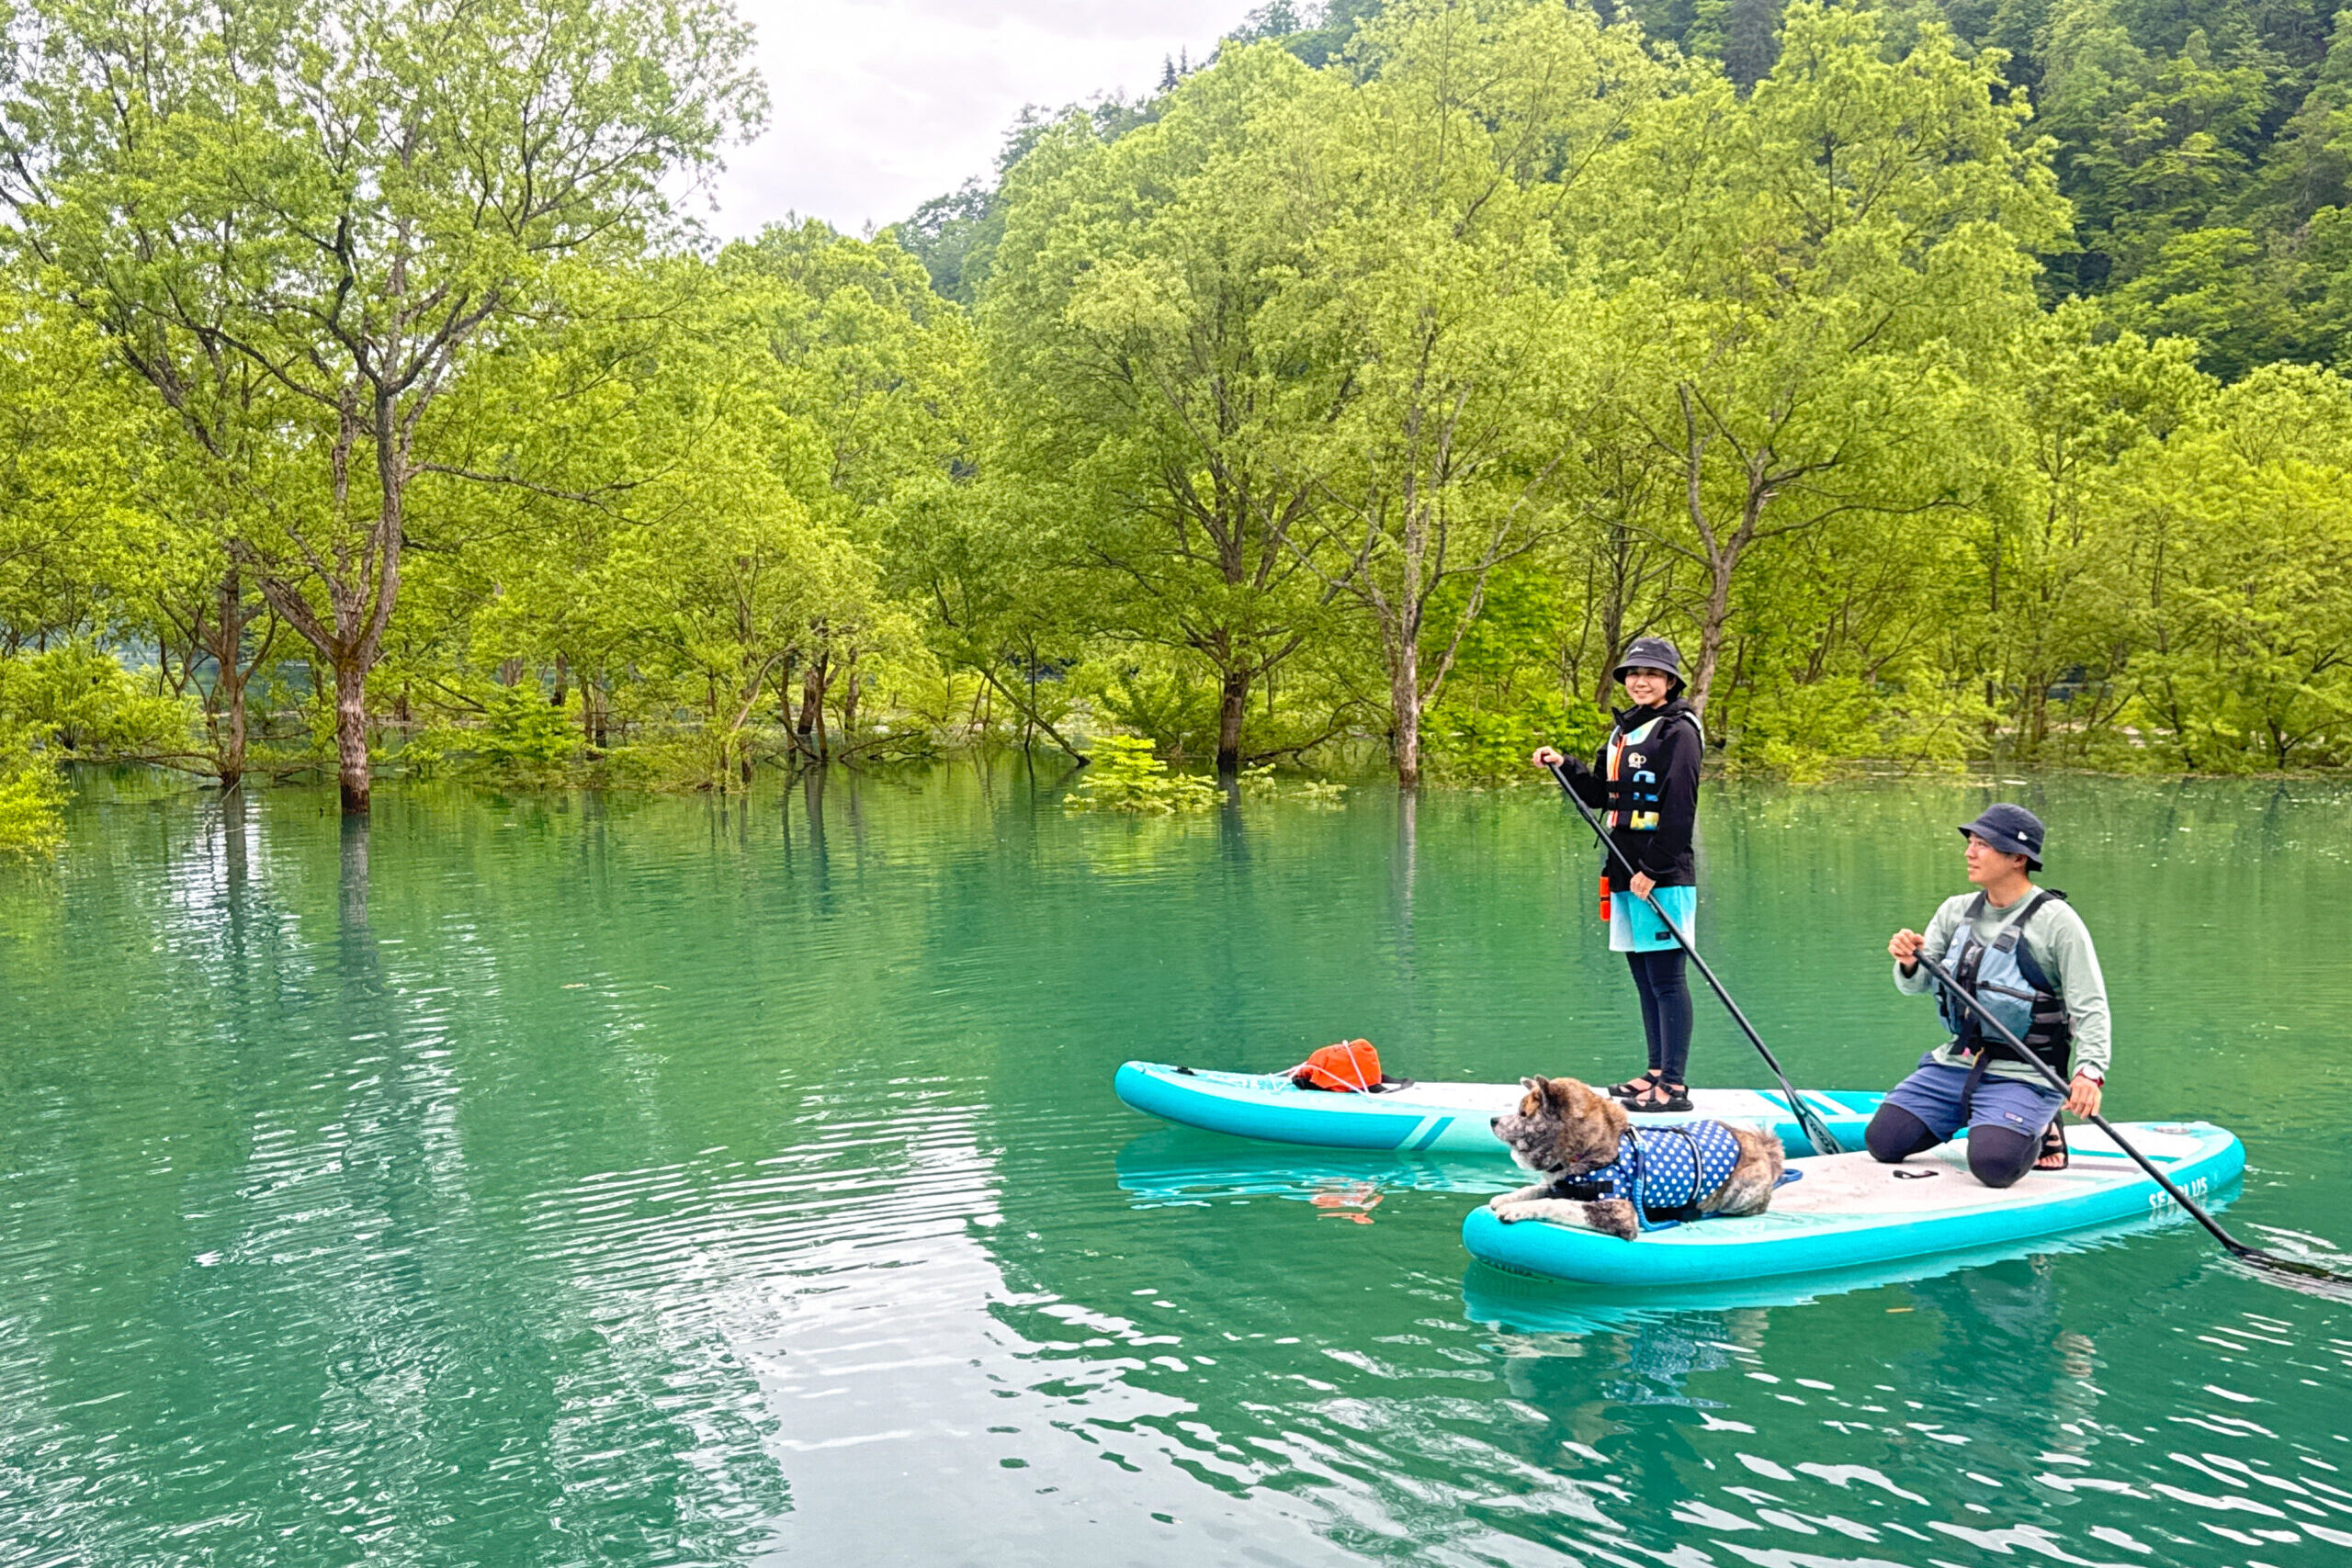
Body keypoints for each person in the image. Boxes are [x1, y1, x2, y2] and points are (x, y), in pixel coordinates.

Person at [1871, 804, 2111, 1188]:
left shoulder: (2058, 923)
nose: (1969, 852)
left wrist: (2089, 1072)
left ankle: (2042, 1124)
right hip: (1959, 1061)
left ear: (2018, 858)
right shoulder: (1955, 911)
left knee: (1994, 1165)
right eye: (1970, 842)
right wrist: (1908, 961)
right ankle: (1981, 1115)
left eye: (1982, 844)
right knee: (1883, 1142)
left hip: (2028, 1071)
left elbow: (2091, 1006)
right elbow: (1915, 985)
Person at [1532, 637, 1705, 1112]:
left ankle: (1674, 1085)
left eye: (1651, 674)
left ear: (1670, 681)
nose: (1640, 681)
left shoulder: (1679, 731)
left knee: (1668, 980)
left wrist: (1655, 867)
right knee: (1643, 976)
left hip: (1660, 873)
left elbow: (1680, 807)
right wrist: (1566, 765)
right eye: (1633, 674)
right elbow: (1602, 795)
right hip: (1622, 869)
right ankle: (1653, 1073)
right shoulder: (1625, 731)